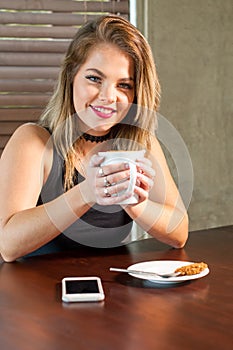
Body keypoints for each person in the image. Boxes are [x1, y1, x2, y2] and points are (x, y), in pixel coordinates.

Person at [0, 15, 188, 262]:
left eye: (124, 85)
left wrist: (133, 202)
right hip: (36, 294)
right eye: (94, 79)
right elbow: (8, 245)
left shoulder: (140, 143)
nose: (108, 96)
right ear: (71, 76)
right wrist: (88, 193)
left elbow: (179, 234)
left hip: (111, 289)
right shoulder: (34, 141)